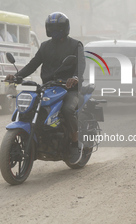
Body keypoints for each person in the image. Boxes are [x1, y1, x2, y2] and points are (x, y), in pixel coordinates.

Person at [5, 12, 86, 165]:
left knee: (68, 109)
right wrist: (17, 76)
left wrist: (75, 78)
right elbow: (33, 64)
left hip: (70, 89)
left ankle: (75, 144)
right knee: (32, 107)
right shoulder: (45, 46)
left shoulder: (75, 45)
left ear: (65, 28)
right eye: (52, 28)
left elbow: (81, 66)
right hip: (49, 87)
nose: (54, 31)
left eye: (58, 28)